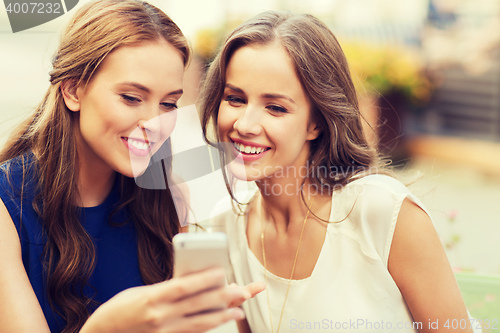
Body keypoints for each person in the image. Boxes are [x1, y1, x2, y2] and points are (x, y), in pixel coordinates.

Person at [200, 11, 475, 333]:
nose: (244, 125)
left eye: (275, 107)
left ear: (316, 122)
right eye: (234, 98)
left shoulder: (382, 212)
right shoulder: (222, 228)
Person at [0, 1, 261, 332]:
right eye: (132, 98)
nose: (154, 122)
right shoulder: (7, 208)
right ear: (72, 90)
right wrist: (106, 327)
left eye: (168, 103)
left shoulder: (167, 193)